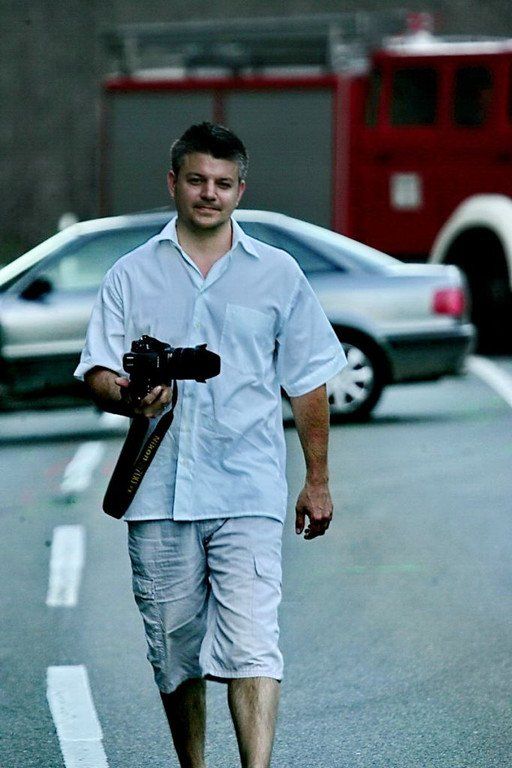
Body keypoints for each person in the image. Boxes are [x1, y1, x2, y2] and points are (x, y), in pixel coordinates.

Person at [75, 121, 346, 768]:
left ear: (240, 190)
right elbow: (96, 371)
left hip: (247, 488)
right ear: (173, 183)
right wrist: (129, 395)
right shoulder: (130, 274)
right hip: (156, 491)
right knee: (174, 653)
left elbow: (309, 382)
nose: (209, 194)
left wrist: (316, 481)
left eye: (223, 183)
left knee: (253, 645)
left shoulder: (277, 275)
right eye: (196, 180)